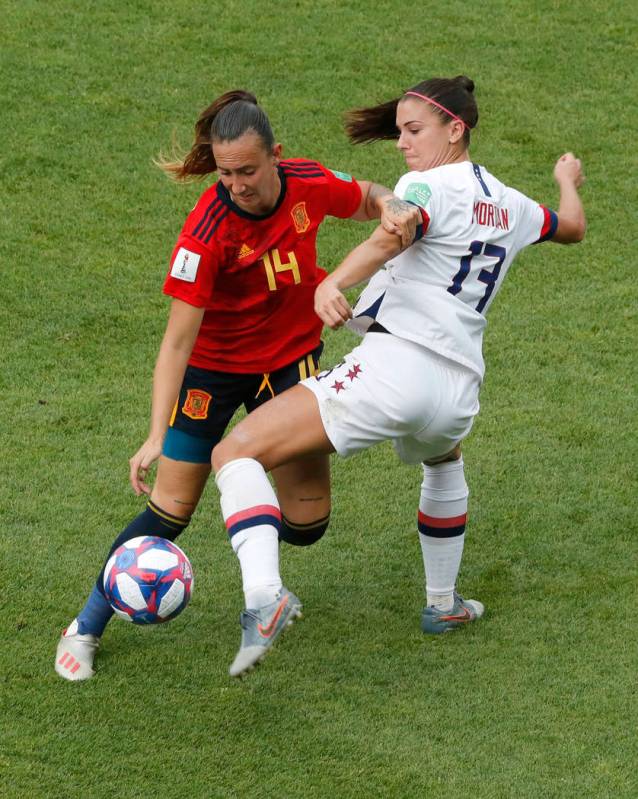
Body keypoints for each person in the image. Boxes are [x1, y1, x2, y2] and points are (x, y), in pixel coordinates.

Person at [210, 75, 586, 677]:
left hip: (396, 369)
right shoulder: (514, 204)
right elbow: (571, 228)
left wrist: (334, 282)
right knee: (443, 460)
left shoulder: (426, 185)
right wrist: (567, 181)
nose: (401, 144)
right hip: (458, 391)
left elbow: (394, 231)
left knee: (235, 452)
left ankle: (264, 597)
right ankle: (444, 604)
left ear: (454, 129)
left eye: (414, 130)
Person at [55, 89, 420, 681]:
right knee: (170, 509)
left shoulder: (306, 181)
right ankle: (87, 625)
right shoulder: (206, 232)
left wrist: (390, 205)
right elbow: (175, 344)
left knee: (308, 526)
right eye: (226, 173)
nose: (237, 185)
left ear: (276, 155)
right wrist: (154, 433)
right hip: (213, 374)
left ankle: (254, 542)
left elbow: (371, 194)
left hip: (289, 363)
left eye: (247, 171)